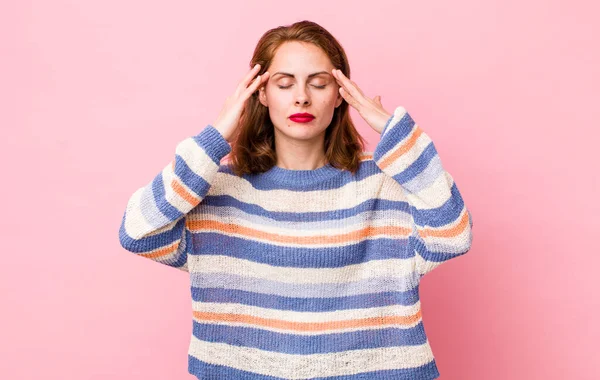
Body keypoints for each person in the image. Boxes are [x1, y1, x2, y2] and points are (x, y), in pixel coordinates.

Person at [118, 19, 474, 380]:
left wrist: (395, 132)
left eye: (318, 83)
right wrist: (213, 139)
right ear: (259, 93)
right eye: (284, 84)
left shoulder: (387, 183)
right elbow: (137, 232)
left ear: (340, 95)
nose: (301, 96)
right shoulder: (219, 189)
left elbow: (453, 235)